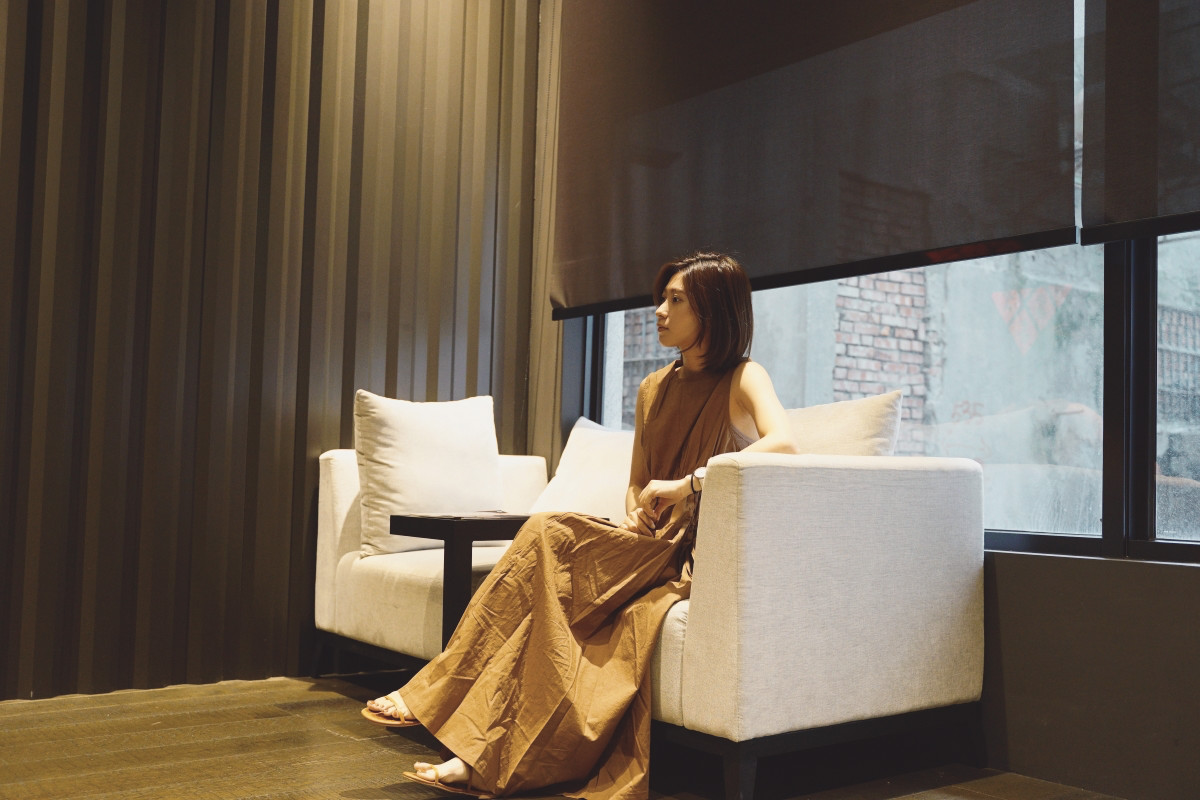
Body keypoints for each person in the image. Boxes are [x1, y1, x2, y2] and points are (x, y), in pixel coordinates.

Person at [362, 252, 797, 799]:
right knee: (545, 562)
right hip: (643, 541)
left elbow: (786, 443)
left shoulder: (743, 377)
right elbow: (637, 483)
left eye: (676, 300)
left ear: (713, 308)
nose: (659, 311)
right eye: (660, 298)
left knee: (549, 534)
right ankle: (475, 746)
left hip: (687, 554)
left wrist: (688, 485)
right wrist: (638, 508)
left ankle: (445, 708)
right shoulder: (653, 388)